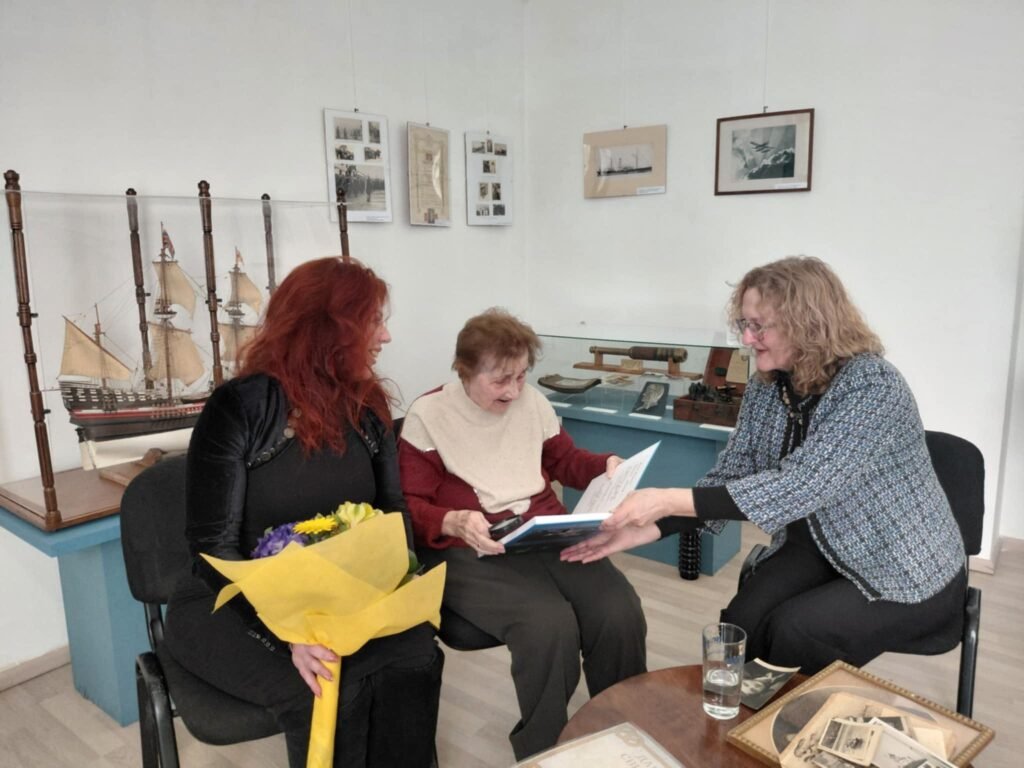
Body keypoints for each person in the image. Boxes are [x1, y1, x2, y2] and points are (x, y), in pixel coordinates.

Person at [563, 256, 966, 675]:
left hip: (903, 565)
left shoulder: (872, 385)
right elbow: (732, 473)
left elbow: (803, 484)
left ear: (808, 324)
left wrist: (665, 500)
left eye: (759, 326)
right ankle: (736, 711)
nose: (747, 338)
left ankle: (779, 716)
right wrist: (650, 528)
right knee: (741, 623)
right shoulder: (768, 386)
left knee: (797, 632)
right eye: (744, 324)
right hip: (818, 545)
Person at [164, 257, 443, 768]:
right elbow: (212, 549)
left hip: (338, 593)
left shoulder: (368, 405)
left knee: (416, 658)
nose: (385, 337)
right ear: (327, 330)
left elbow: (391, 510)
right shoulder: (239, 408)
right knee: (332, 689)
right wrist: (284, 634)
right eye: (372, 322)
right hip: (228, 602)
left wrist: (399, 586)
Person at [398, 308, 647, 760]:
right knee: (546, 625)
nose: (514, 391)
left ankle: (621, 731)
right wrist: (452, 520)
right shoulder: (428, 415)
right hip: (471, 547)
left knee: (619, 609)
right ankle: (544, 749)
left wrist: (606, 466)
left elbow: (565, 461)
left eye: (521, 376)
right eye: (500, 380)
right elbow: (408, 505)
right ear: (464, 370)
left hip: (543, 532)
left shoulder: (531, 402)